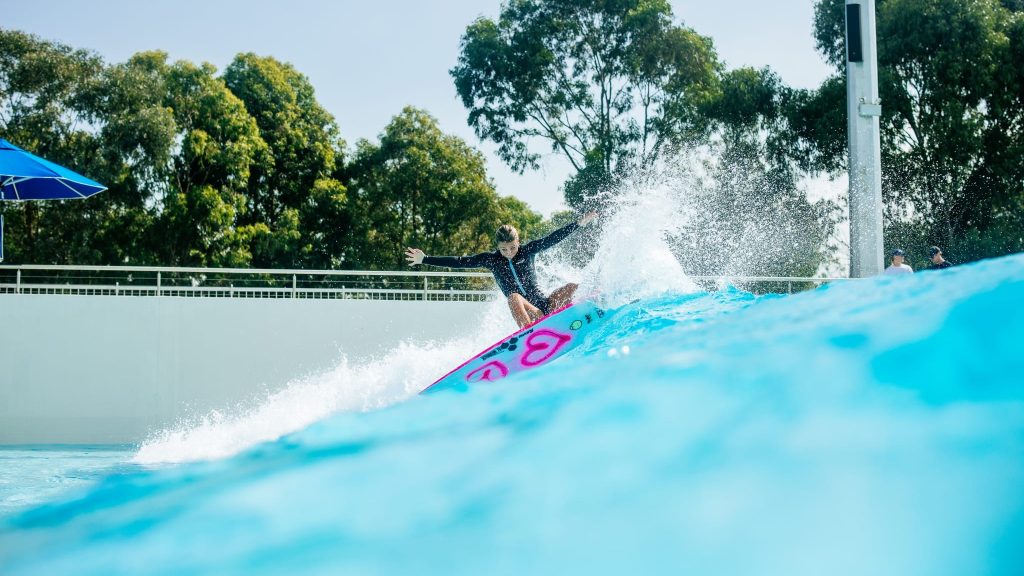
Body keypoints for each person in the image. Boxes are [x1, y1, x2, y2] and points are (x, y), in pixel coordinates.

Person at [405, 212, 598, 328]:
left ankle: (592, 309)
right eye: (504, 249)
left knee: (573, 287)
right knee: (513, 297)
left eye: (512, 247)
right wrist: (426, 259)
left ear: (518, 242)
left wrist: (578, 224)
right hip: (533, 315)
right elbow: (461, 261)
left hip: (546, 306)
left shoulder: (528, 250)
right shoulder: (491, 260)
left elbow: (552, 238)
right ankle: (529, 333)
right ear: (497, 246)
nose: (509, 253)